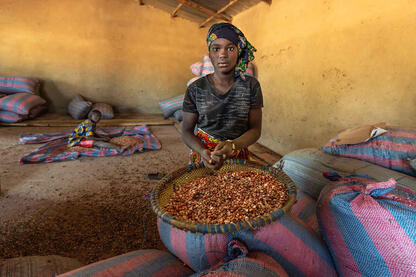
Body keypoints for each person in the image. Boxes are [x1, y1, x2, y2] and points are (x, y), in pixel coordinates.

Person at [182, 22, 263, 170]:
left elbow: (255, 130)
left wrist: (232, 146)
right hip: (204, 157)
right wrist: (202, 151)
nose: (222, 55)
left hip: (237, 155)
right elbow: (186, 130)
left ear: (239, 51)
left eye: (230, 48)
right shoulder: (195, 88)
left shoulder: (251, 86)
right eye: (216, 48)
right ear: (210, 53)